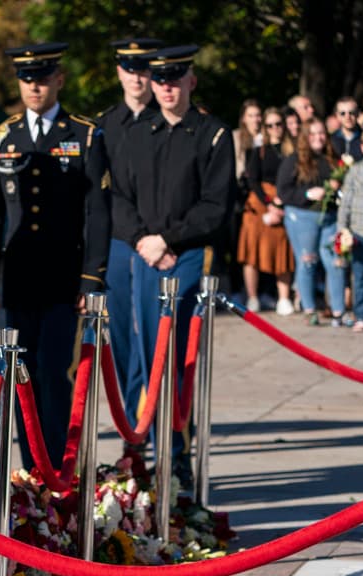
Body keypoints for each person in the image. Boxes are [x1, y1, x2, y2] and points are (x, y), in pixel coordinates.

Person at [0, 42, 110, 472]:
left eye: (43, 78)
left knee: (54, 372)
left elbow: (97, 212)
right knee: (20, 376)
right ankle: (31, 466)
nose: (35, 87)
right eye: (27, 79)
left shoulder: (84, 135)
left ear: (59, 80)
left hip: (62, 276)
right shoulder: (3, 137)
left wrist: (92, 278)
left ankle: (57, 464)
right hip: (18, 276)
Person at [112, 45, 235, 489]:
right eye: (160, 79)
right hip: (145, 252)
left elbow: (216, 206)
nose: (166, 87)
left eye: (175, 79)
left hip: (185, 256)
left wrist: (169, 239)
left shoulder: (212, 134)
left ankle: (177, 455)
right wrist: (144, 240)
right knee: (145, 356)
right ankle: (139, 445)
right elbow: (119, 195)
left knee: (176, 356)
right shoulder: (137, 132)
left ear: (190, 82)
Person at [97, 37, 162, 430]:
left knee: (156, 336)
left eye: (143, 69)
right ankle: (130, 415)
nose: (137, 77)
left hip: (160, 243)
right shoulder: (105, 125)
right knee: (120, 334)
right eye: (129, 69)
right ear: (119, 72)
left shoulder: (170, 119)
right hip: (121, 241)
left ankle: (153, 415)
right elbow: (105, 190)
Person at [277, 116, 346, 326]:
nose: (318, 138)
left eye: (322, 133)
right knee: (308, 261)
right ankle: (309, 310)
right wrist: (307, 194)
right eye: (313, 134)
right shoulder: (294, 160)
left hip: (330, 217)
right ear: (306, 137)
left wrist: (338, 188)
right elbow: (283, 192)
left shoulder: (332, 158)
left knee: (336, 262)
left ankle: (339, 311)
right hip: (302, 216)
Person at [237, 106, 295, 313]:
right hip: (259, 202)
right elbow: (253, 180)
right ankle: (252, 297)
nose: (274, 129)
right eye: (269, 125)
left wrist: (281, 203)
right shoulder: (258, 150)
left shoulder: (293, 150)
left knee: (282, 252)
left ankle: (284, 298)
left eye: (278, 124)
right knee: (252, 251)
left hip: (285, 200)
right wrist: (269, 203)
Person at [336, 128, 363, 331]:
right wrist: (343, 228)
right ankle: (361, 315)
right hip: (358, 232)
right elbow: (346, 202)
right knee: (360, 277)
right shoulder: (356, 170)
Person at [332, 96, 363, 161]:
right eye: (342, 113)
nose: (347, 117)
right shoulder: (331, 140)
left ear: (358, 113)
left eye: (351, 112)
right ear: (337, 116)